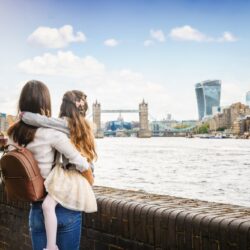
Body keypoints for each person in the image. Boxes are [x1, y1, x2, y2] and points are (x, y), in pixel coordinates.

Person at [7, 80, 92, 250]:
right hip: (64, 207)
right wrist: (89, 180)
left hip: (36, 209)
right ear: (45, 102)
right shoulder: (52, 133)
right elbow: (82, 163)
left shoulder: (12, 133)